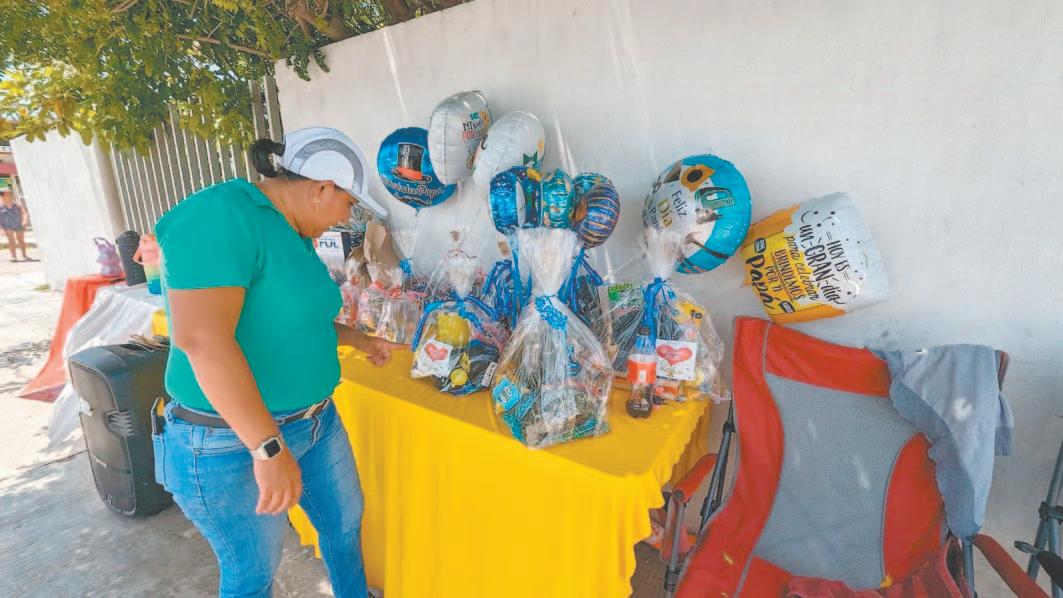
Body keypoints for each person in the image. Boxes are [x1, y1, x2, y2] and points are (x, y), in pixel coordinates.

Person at [154, 127, 396, 598]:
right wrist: (267, 448)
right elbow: (202, 340)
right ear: (320, 188)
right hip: (229, 442)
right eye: (348, 204)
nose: (346, 219)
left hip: (315, 422)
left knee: (344, 528)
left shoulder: (291, 231)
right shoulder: (222, 214)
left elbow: (292, 317)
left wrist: (357, 340)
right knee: (252, 574)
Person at [0, 190, 32, 262]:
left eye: (10, 194)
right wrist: (1, 228)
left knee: (20, 240)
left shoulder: (17, 204)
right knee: (11, 240)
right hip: (7, 225)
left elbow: (24, 213)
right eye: (7, 195)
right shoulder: (1, 206)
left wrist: (24, 221)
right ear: (2, 196)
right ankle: (13, 256)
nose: (10, 196)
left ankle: (24, 255)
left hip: (19, 224)